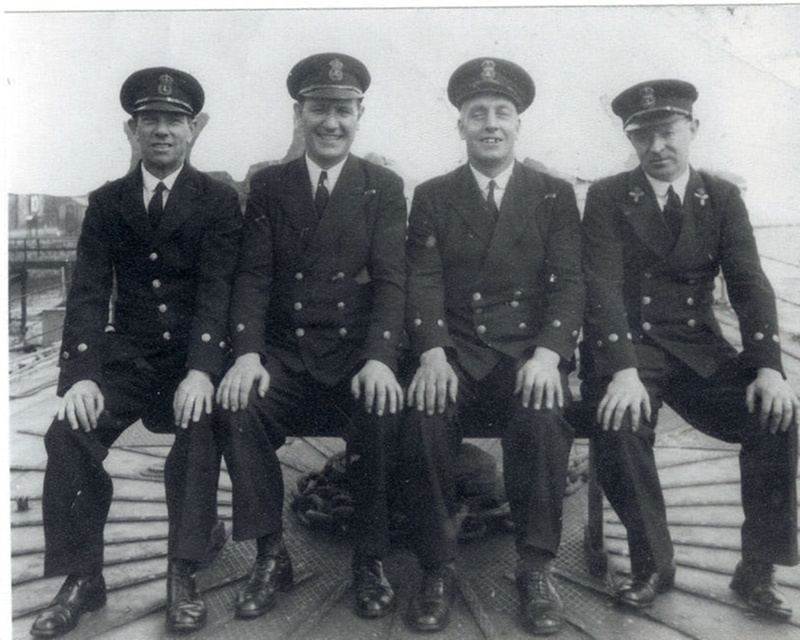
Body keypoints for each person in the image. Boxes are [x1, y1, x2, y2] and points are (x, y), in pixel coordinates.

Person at [30, 67, 242, 638]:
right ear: (132, 129)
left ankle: (183, 573)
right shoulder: (107, 202)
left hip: (188, 364)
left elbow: (219, 290)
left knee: (199, 432)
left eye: (175, 120)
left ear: (193, 129)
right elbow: (89, 292)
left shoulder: (220, 202)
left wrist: (202, 370)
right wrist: (81, 374)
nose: (163, 130)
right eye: (151, 119)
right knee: (67, 433)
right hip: (127, 361)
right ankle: (82, 577)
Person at [580, 79, 799, 617]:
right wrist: (621, 371)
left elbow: (748, 283)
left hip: (698, 348)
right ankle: (653, 563)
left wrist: (769, 368)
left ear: (692, 130)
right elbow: (601, 286)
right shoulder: (608, 195)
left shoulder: (721, 197)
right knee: (617, 422)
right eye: (643, 136)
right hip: (629, 349)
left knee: (776, 414)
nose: (657, 147)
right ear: (631, 140)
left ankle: (756, 570)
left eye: (668, 132)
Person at [216, 53, 407, 622]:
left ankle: (369, 558)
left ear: (360, 113)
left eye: (343, 110)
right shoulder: (270, 184)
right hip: (286, 357)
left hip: (353, 355)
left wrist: (380, 359)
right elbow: (252, 275)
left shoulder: (383, 186)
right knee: (238, 406)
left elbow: (393, 280)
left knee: (382, 413)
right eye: (319, 108)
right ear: (299, 113)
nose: (331, 122)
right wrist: (247, 353)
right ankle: (271, 554)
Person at [402, 57, 584, 635]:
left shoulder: (552, 195)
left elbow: (569, 282)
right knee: (423, 415)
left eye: (501, 113)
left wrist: (550, 355)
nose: (490, 124)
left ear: (517, 124)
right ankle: (437, 567)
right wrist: (431, 352)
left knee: (544, 417)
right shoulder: (432, 195)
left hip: (524, 355)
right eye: (476, 113)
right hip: (455, 352)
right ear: (460, 125)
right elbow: (423, 279)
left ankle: (535, 569)